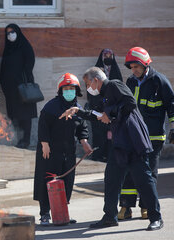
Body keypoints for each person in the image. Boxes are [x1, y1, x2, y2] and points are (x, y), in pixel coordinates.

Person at [61, 67, 164, 231]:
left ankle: (156, 218)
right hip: (120, 145)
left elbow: (130, 102)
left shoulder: (114, 85)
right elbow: (100, 115)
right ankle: (109, 217)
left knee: (144, 181)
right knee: (111, 180)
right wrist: (78, 112)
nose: (88, 88)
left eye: (88, 83)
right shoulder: (104, 96)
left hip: (133, 142)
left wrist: (111, 113)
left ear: (96, 80)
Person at [117, 47, 174, 220]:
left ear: (145, 64)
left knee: (148, 173)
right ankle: (125, 206)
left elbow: (172, 105)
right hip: (132, 137)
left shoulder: (159, 81)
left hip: (153, 138)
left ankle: (146, 207)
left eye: (136, 66)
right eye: (131, 67)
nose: (134, 70)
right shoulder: (130, 82)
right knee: (129, 172)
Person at [33, 73, 93, 225]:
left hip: (68, 152)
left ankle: (62, 213)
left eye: (72, 88)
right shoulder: (51, 107)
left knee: (67, 182)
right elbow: (43, 126)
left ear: (76, 90)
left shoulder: (77, 109)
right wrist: (44, 144)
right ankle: (45, 214)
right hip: (49, 152)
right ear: (60, 91)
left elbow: (82, 128)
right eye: (66, 88)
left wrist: (84, 141)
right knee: (47, 182)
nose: (69, 91)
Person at [0, 23, 37, 149]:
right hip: (11, 89)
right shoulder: (8, 48)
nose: (10, 35)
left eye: (12, 32)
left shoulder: (25, 47)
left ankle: (25, 140)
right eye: (8, 33)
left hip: (23, 87)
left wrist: (21, 78)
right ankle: (17, 139)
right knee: (14, 114)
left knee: (25, 115)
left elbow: (29, 63)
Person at [87, 49, 123, 162]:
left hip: (112, 109)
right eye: (105, 55)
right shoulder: (95, 71)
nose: (108, 58)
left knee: (111, 134)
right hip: (97, 108)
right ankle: (98, 155)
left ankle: (110, 155)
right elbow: (90, 89)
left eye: (110, 56)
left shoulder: (116, 71)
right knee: (98, 134)